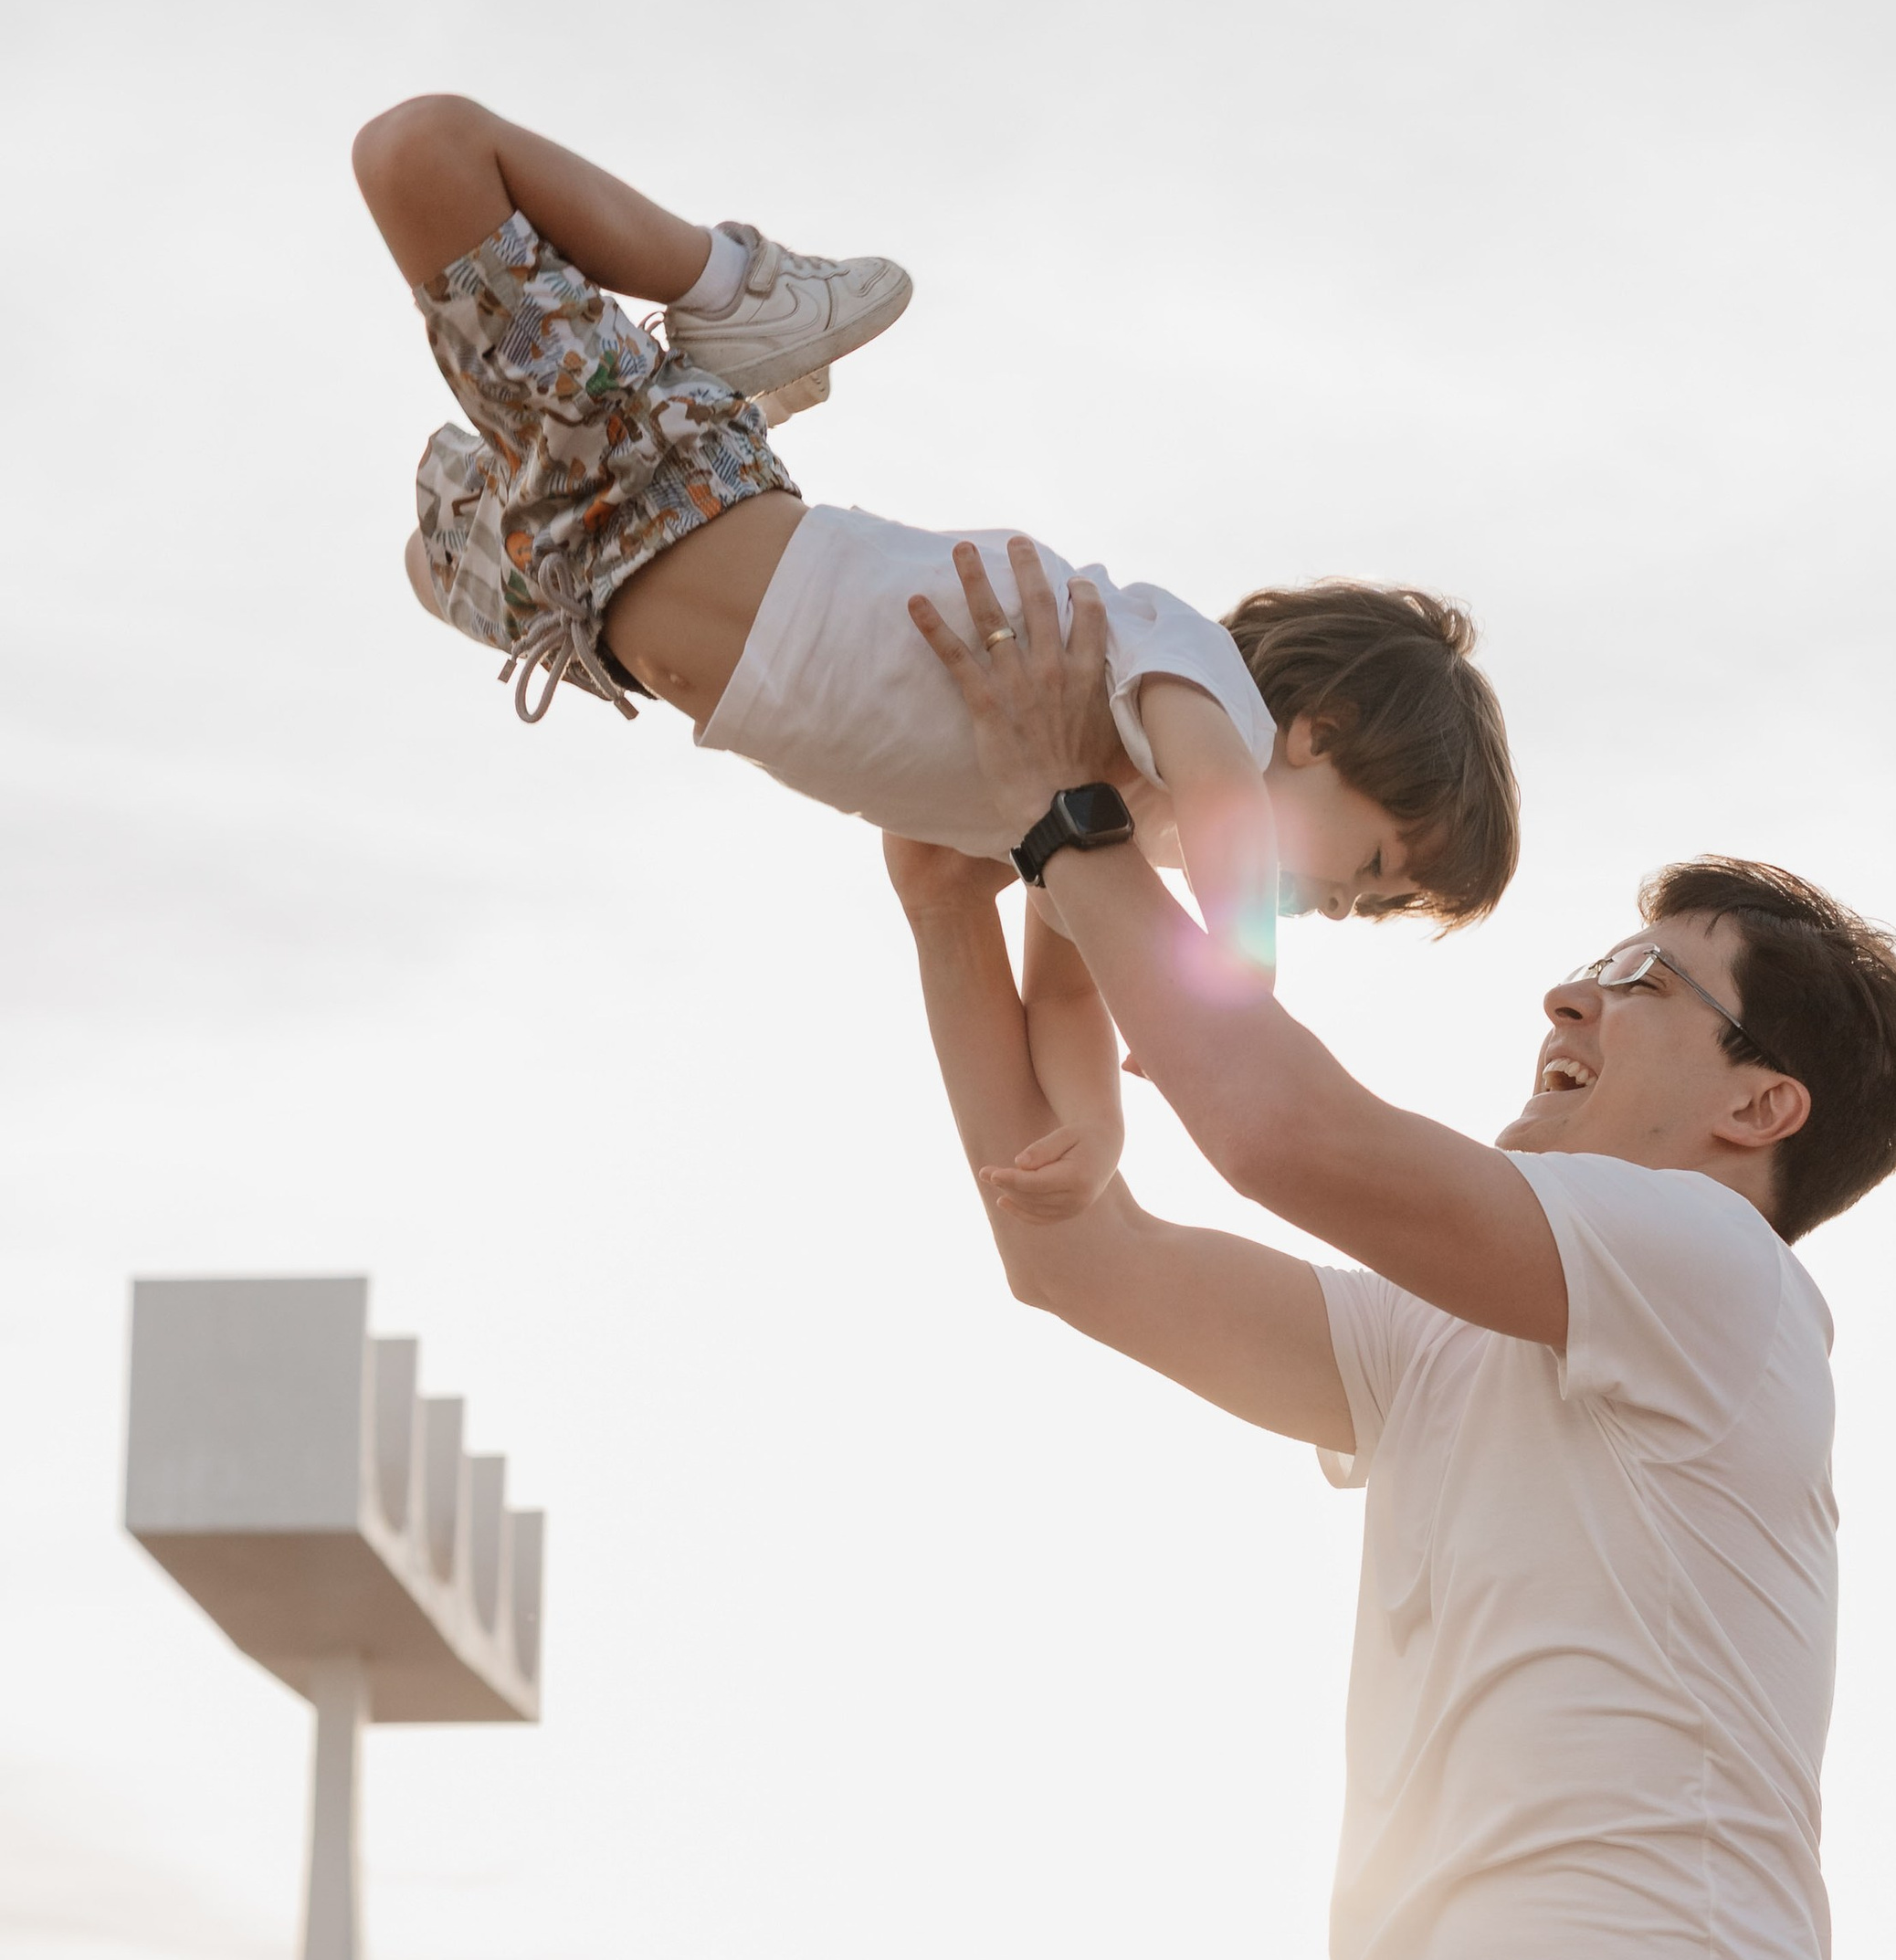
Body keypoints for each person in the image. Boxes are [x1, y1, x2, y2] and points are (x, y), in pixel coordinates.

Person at [884, 542, 1896, 1960]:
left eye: (1645, 979)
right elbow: (1068, 1251)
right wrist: (953, 909)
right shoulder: (1444, 1337)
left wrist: (1061, 819)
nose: (1568, 992)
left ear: (1759, 1104)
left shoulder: (1712, 1275)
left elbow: (1279, 1130)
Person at [353, 95, 1518, 1214]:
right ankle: (735, 291)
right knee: (421, 152)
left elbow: (1066, 998)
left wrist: (1096, 1136)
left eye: (1364, 909)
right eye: (1369, 866)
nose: (1335, 906)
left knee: (423, 565)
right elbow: (1223, 803)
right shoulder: (1190, 674)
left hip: (585, 593)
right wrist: (1239, 978)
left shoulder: (1090, 824)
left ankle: (697, 403)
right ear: (1320, 733)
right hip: (665, 486)